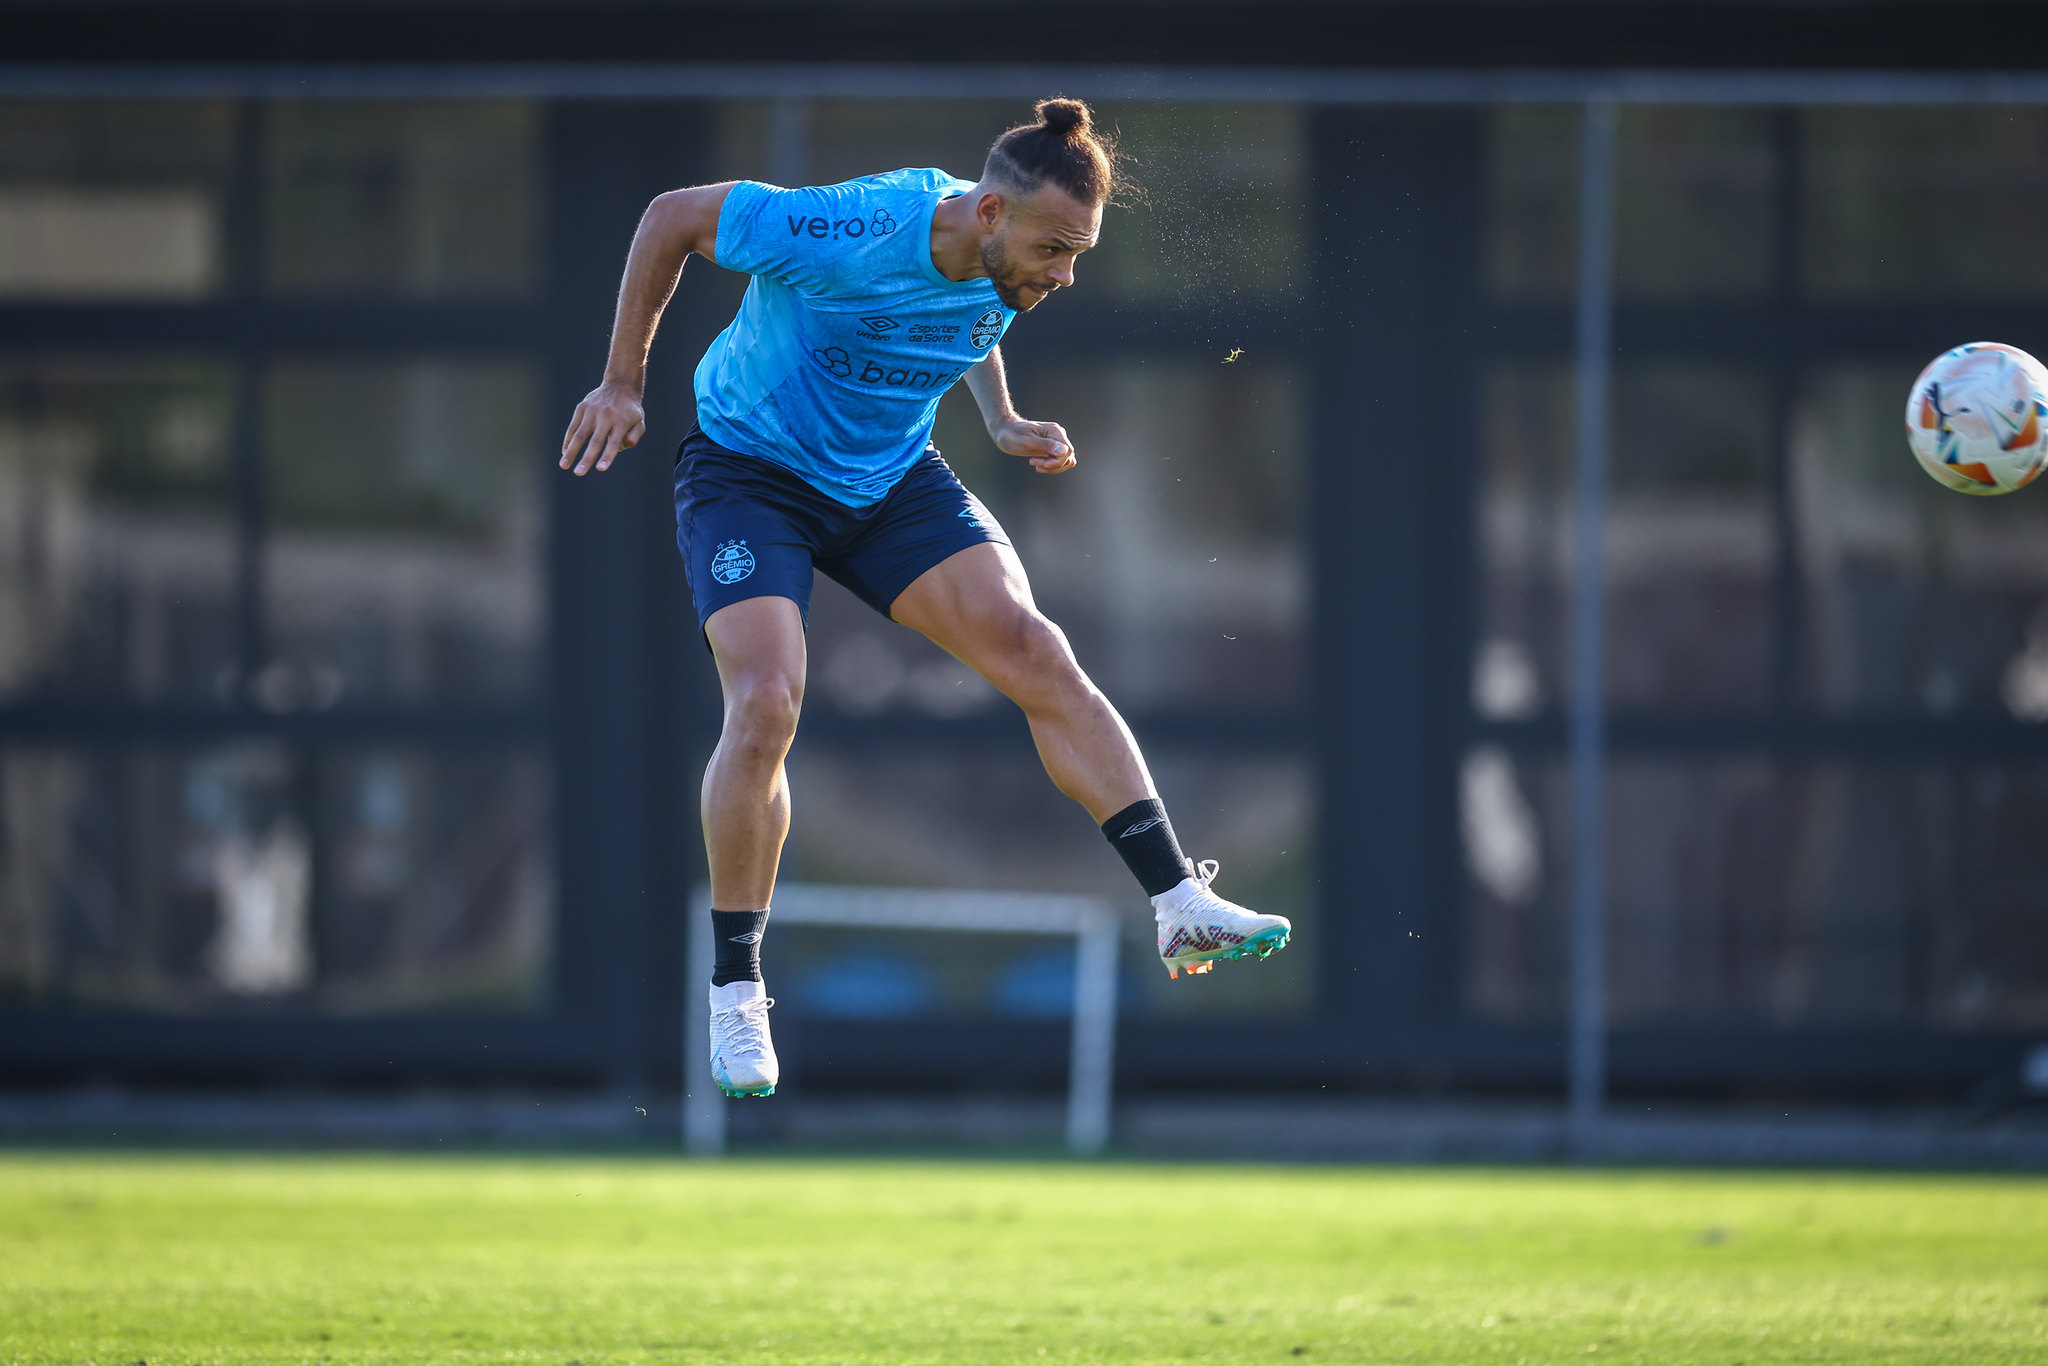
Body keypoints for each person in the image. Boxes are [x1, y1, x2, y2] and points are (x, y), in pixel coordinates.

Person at [559, 97, 1291, 1099]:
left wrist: (999, 417)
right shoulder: (853, 226)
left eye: (1078, 253)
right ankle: (736, 991)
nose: (1064, 273)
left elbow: (964, 316)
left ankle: (1176, 899)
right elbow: (670, 216)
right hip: (749, 475)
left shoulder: (1002, 260)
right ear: (987, 212)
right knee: (767, 699)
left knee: (1036, 651)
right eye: (1053, 247)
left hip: (890, 482)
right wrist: (620, 384)